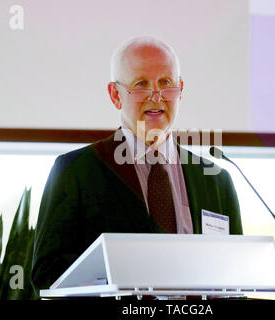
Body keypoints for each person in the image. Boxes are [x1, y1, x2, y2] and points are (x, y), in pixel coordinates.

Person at [31, 36, 243, 295]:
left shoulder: (216, 180)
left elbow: (235, 277)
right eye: (141, 84)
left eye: (166, 83)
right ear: (115, 95)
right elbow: (48, 274)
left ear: (180, 90)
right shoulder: (75, 171)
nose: (156, 97)